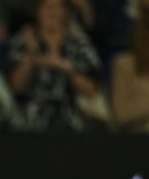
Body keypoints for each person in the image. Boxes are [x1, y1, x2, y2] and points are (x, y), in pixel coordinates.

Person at [6, 0, 104, 132]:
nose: (51, 12)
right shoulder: (22, 42)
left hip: (71, 123)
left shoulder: (80, 45)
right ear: (36, 11)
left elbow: (91, 89)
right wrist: (31, 56)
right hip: (28, 124)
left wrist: (63, 67)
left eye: (57, 6)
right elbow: (16, 87)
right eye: (45, 6)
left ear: (66, 11)